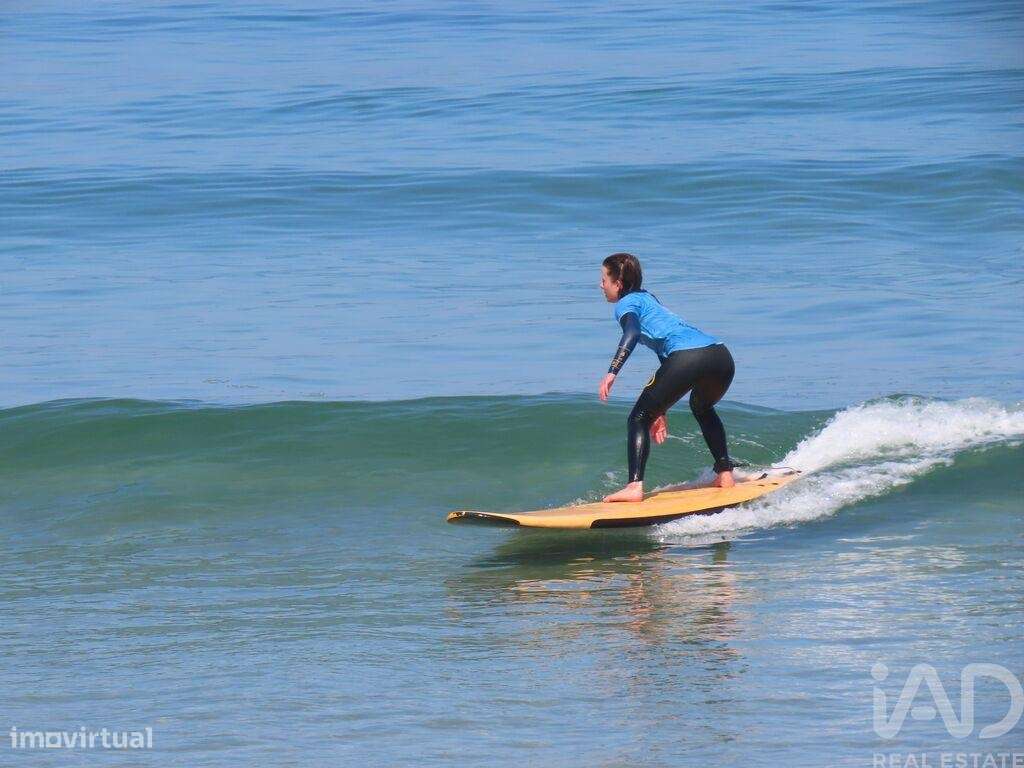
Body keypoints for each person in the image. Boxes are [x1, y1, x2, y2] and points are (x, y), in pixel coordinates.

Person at [598, 252, 736, 502]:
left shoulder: (625, 306)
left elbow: (632, 332)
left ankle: (634, 487)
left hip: (688, 358)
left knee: (638, 418)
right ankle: (725, 473)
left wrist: (612, 372)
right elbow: (668, 359)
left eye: (604, 279)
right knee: (702, 407)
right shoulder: (648, 298)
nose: (601, 285)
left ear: (618, 284)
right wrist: (660, 408)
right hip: (720, 356)